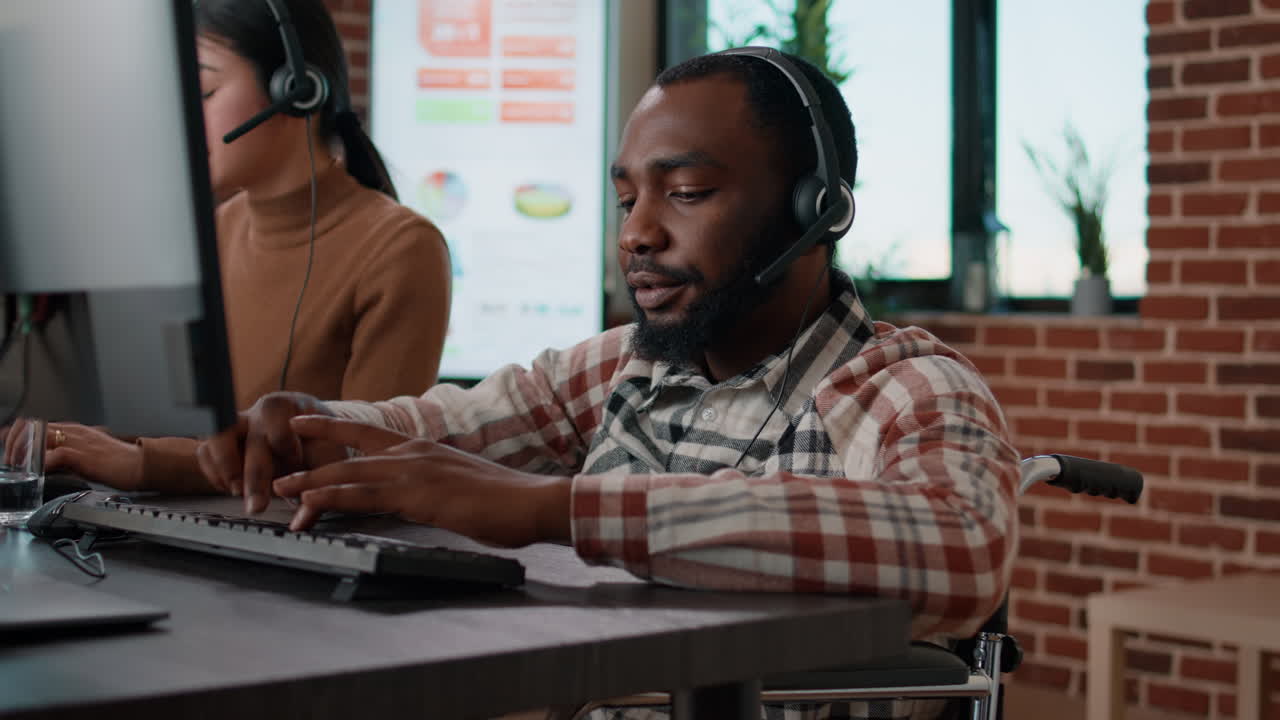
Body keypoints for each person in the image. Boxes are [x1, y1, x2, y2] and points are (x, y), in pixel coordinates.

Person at [202, 50, 1018, 719]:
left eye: (687, 193)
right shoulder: (624, 366)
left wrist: (550, 509)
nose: (636, 232)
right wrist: (294, 426)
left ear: (817, 208)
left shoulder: (911, 388)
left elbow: (965, 548)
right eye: (627, 197)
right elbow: (437, 428)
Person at [38, 0, 452, 493]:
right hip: (171, 532)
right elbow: (163, 421)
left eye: (204, 90)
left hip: (292, 547)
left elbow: (367, 458)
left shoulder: (403, 249)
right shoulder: (217, 228)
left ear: (296, 91)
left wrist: (144, 465)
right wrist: (52, 436)